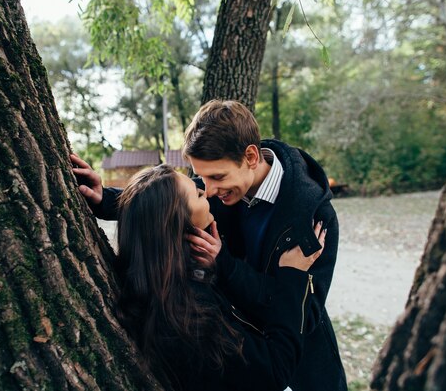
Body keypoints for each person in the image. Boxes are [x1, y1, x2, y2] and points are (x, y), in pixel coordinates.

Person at [72, 99, 346, 391]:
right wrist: (107, 199)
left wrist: (226, 266)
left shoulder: (314, 216)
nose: (209, 189)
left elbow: (309, 312)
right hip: (232, 351)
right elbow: (168, 206)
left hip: (296, 368)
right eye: (201, 177)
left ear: (251, 157)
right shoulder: (217, 183)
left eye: (217, 177)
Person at [111, 164, 326, 391]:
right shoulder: (189, 316)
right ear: (177, 223)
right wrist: (292, 276)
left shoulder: (155, 284)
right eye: (199, 194)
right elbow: (275, 372)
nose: (208, 192)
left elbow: (144, 211)